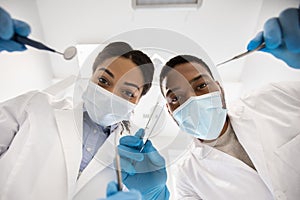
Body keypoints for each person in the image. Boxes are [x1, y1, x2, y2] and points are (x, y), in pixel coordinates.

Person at [118, 5, 300, 200]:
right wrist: (153, 196)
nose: (192, 99)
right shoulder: (187, 177)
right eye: (175, 98)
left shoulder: (273, 97)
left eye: (201, 85)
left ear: (220, 90)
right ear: (171, 113)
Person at [0, 7, 154, 200]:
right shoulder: (36, 104)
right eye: (104, 81)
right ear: (90, 78)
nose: (110, 94)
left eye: (127, 92)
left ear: (137, 101)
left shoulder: (129, 161)